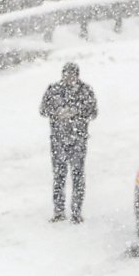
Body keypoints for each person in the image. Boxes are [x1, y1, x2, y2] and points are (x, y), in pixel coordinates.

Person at [38, 61, 98, 222]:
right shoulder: (53, 90)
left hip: (78, 139)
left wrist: (76, 112)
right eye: (66, 74)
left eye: (72, 74)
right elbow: (43, 110)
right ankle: (58, 211)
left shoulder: (85, 91)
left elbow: (93, 112)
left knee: (77, 175)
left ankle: (76, 212)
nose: (69, 77)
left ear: (77, 76)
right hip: (58, 139)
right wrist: (57, 112)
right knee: (59, 176)